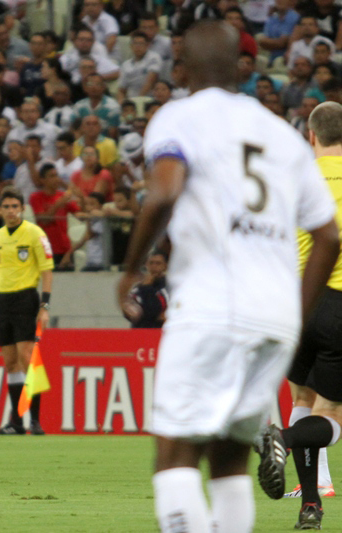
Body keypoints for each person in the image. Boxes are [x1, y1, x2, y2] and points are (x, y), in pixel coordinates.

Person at [115, 21, 340, 533]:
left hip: (212, 307)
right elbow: (327, 237)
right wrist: (296, 314)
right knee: (229, 460)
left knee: (175, 456)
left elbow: (166, 192)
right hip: (276, 316)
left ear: (183, 68)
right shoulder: (280, 134)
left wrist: (129, 271)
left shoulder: (178, 115)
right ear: (244, 66)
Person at [255, 102, 342, 529]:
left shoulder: (292, 179)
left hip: (294, 304)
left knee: (303, 401)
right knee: (332, 416)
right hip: (339, 304)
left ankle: (311, 506)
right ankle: (282, 441)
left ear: (312, 136)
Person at [0, 186, 54, 435]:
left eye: (15, 206)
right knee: (10, 361)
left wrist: (44, 306)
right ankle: (16, 422)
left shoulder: (35, 233)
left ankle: (34, 420)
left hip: (26, 299)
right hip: (3, 302)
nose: (11, 211)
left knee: (27, 359)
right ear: (0, 209)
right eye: (6, 207)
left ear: (23, 209)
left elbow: (47, 269)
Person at [30, 163, 80, 270]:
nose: (56, 179)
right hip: (45, 250)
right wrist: (58, 204)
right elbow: (44, 220)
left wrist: (81, 197)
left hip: (65, 250)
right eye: (52, 176)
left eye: (57, 175)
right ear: (42, 180)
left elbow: (80, 214)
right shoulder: (36, 197)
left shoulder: (63, 196)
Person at [122, 252, 168, 328]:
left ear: (165, 266)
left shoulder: (169, 287)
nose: (154, 266)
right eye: (151, 263)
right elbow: (129, 311)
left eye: (158, 263)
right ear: (146, 265)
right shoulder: (138, 288)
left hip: (161, 330)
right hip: (140, 330)